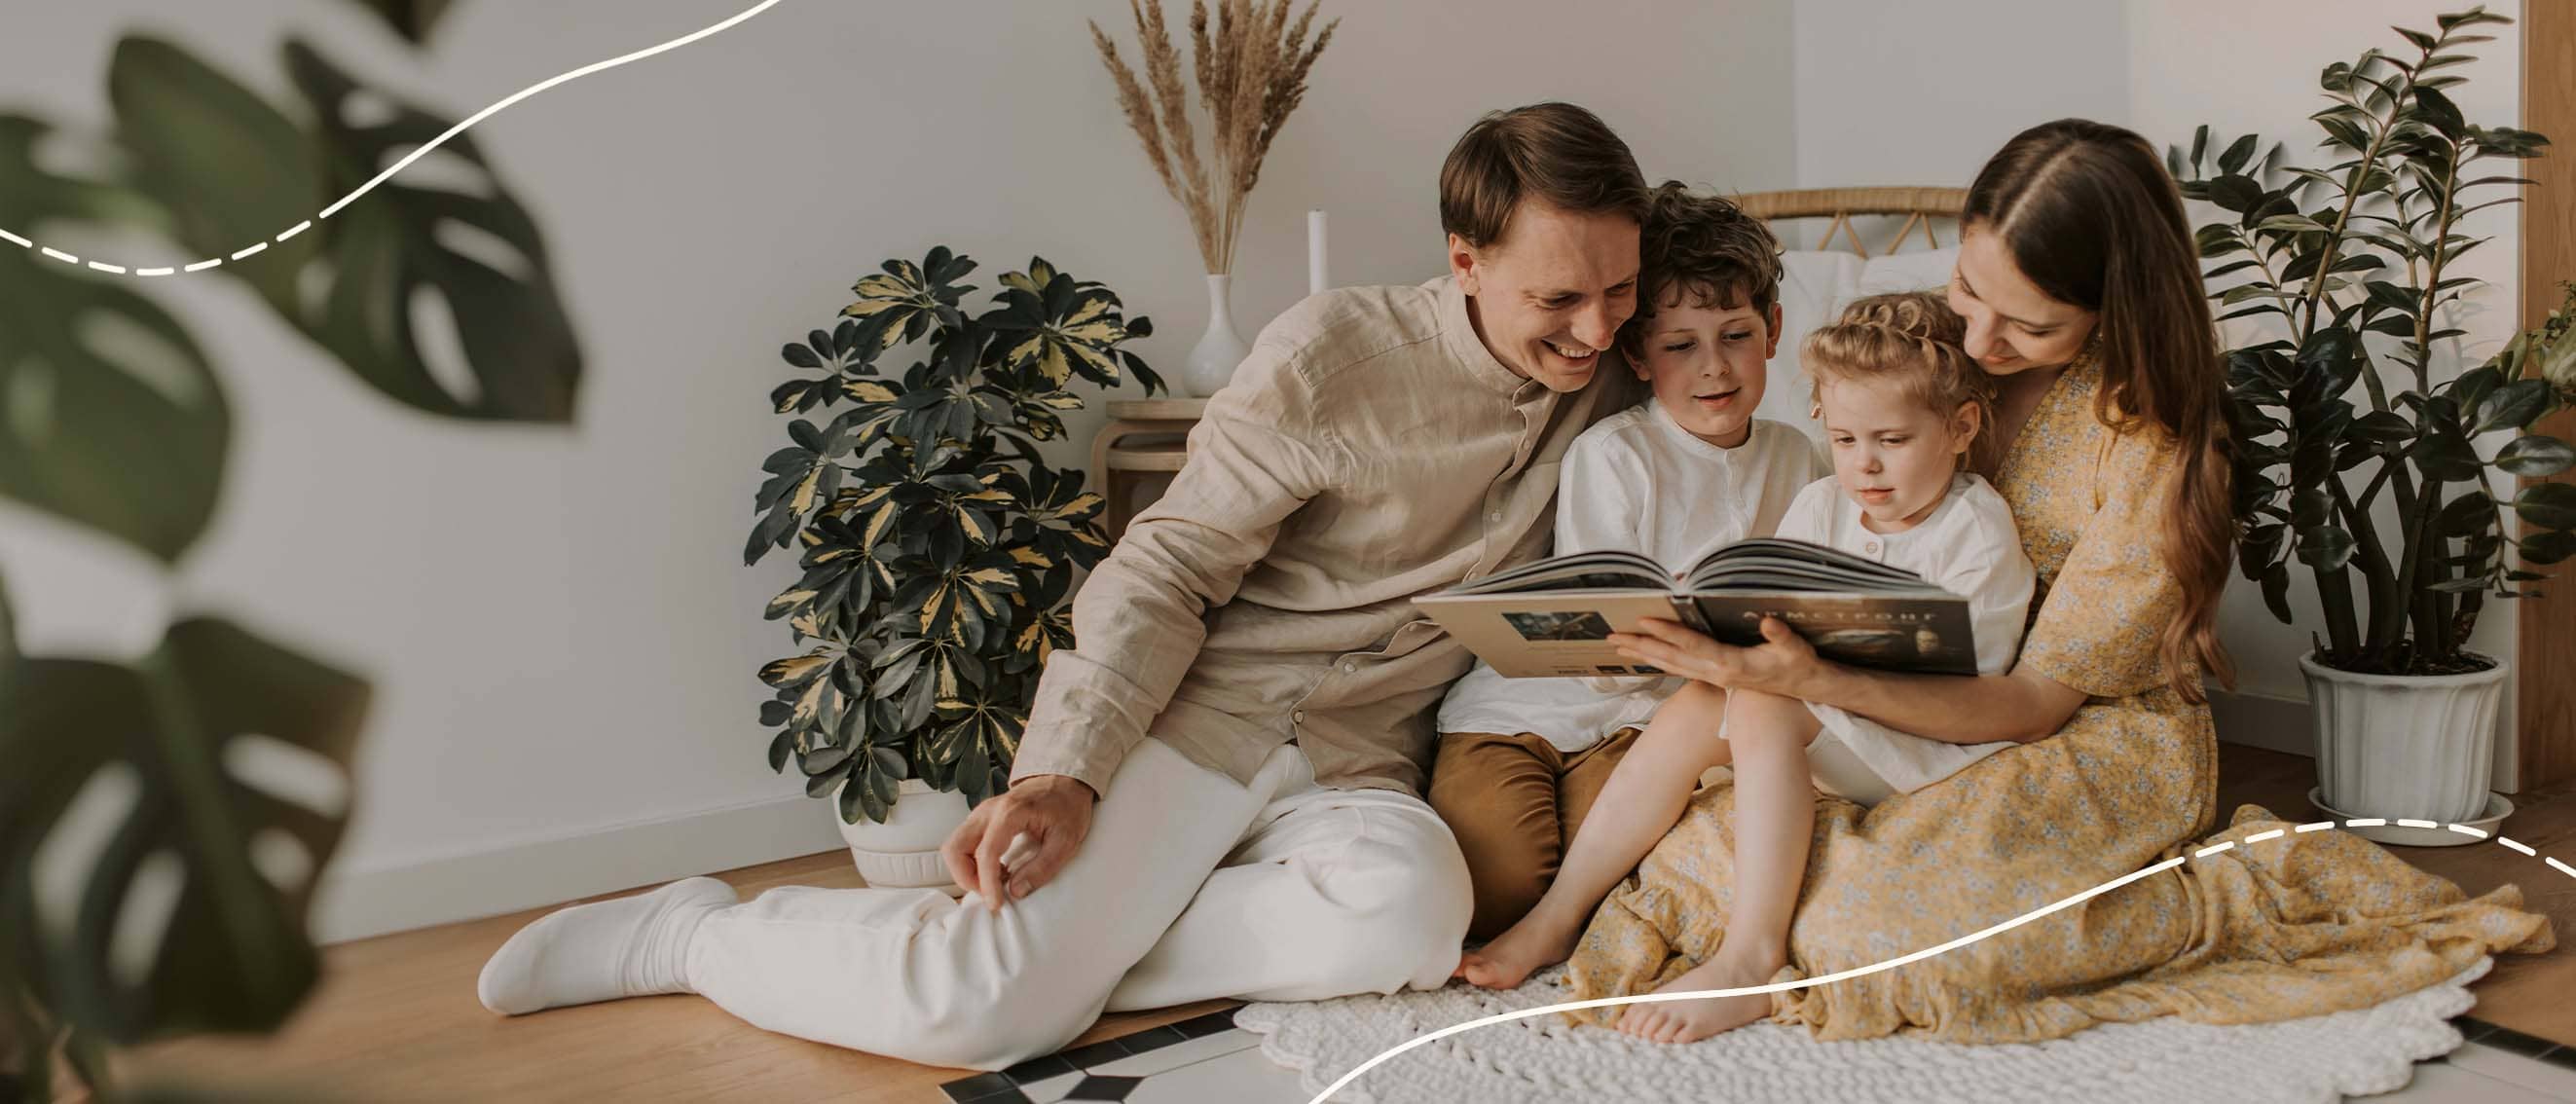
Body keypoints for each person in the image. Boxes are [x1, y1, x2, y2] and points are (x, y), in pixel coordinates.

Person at [473, 102, 1650, 1071]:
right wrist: (1063, 774)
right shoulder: (1331, 358)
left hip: (1359, 761)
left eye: (1619, 291)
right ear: (1465, 262)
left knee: (1410, 917)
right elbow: (1165, 566)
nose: (1596, 330)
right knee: (986, 1021)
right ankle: (697, 938)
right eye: (1558, 299)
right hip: (1206, 722)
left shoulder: (1619, 376)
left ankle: (1060, 955)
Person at [1554, 118, 2549, 1044]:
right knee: (1713, 811)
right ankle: (1741, 921)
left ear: (2113, 309)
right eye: (1968, 292)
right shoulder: (1935, 358)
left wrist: (1806, 681)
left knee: (1880, 930)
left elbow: (2034, 702)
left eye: (2023, 327)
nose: (1979, 344)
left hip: (2072, 725)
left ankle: (1780, 942)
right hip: (1889, 693)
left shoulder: (2154, 452)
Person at [1463, 292, 2035, 1045]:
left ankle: (1751, 955)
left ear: (1960, 428)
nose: (1864, 464)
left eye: (1892, 440)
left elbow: (1967, 694)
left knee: (1762, 699)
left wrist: (1792, 675)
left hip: (1921, 745)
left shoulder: (1977, 532)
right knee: (1707, 695)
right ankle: (1559, 915)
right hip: (1834, 722)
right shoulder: (1824, 501)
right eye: (1843, 438)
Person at [1428, 183, 1825, 943]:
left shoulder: (1797, 457)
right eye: (1681, 345)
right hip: (1528, 711)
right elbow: (1596, 635)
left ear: (1773, 330)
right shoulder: (1616, 456)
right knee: (1496, 881)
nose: (1715, 368)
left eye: (1735, 335)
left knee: (1610, 868)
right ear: (1640, 354)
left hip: (1648, 727)